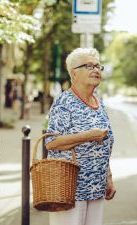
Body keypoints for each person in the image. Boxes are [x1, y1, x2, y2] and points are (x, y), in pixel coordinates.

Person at [45, 48, 116, 225]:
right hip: (70, 189)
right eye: (89, 66)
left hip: (96, 186)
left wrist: (108, 178)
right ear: (74, 73)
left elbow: (104, 146)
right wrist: (87, 136)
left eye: (98, 66)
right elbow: (51, 143)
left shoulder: (99, 102)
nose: (96, 70)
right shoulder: (64, 102)